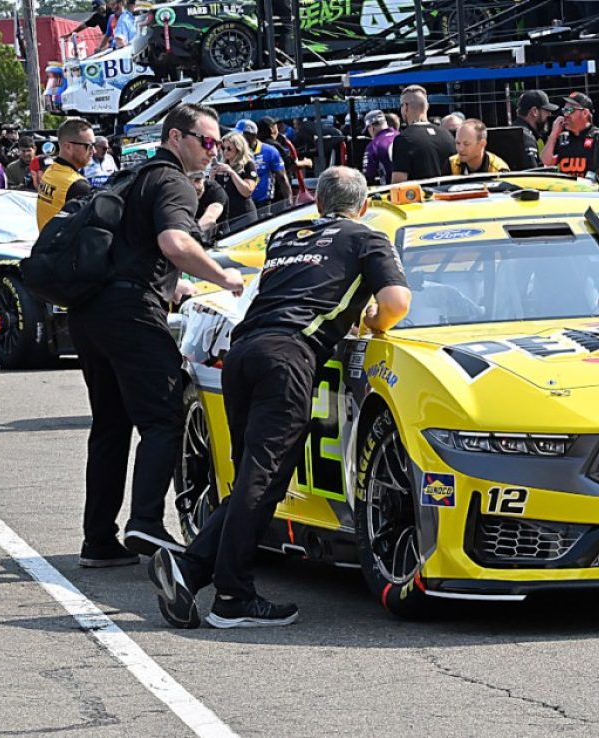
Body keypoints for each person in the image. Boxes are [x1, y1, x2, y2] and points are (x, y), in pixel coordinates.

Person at [149, 166, 411, 629]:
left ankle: (190, 570)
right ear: (364, 206)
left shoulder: (288, 235)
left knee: (255, 474)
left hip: (243, 352)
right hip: (287, 356)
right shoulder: (366, 238)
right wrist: (371, 322)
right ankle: (232, 597)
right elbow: (396, 302)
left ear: (318, 204)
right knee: (263, 479)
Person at [67, 103, 244, 568]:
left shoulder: (134, 176)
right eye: (206, 142)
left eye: (218, 144)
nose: (213, 152)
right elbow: (174, 243)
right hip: (128, 313)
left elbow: (139, 251)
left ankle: (98, 540)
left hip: (91, 312)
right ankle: (146, 521)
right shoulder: (172, 181)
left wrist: (178, 284)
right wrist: (226, 279)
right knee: (163, 416)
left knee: (110, 425)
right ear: (175, 138)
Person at [37, 118, 95, 230]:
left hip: (46, 244)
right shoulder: (77, 185)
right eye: (88, 146)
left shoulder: (50, 171)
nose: (93, 151)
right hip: (63, 246)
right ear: (68, 147)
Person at [390, 85, 456, 183]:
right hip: (450, 195)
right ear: (427, 106)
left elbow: (398, 183)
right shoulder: (448, 136)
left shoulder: (403, 139)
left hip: (422, 197)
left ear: (406, 107)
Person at [541, 91, 599, 177]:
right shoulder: (562, 138)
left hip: (589, 189)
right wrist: (553, 134)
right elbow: (547, 162)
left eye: (570, 110)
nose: (565, 115)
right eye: (564, 110)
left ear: (585, 113)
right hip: (568, 189)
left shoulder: (598, 137)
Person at [238, 119, 289, 209]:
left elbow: (282, 178)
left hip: (264, 202)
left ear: (251, 136)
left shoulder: (270, 151)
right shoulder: (236, 151)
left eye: (240, 135)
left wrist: (289, 203)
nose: (237, 138)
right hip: (243, 202)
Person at [214, 131, 258, 224]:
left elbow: (247, 191)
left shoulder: (248, 165)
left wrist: (232, 173)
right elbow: (214, 193)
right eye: (223, 148)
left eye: (229, 148)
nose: (225, 151)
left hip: (243, 215)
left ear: (239, 149)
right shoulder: (222, 166)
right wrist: (212, 177)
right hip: (225, 217)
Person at [513, 90, 557, 169]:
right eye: (547, 111)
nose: (549, 115)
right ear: (534, 111)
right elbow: (534, 174)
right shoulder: (526, 136)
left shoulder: (514, 130)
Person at [256, 117, 294, 203]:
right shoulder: (273, 146)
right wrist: (306, 162)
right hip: (278, 191)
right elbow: (289, 164)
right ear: (271, 129)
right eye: (275, 125)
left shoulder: (259, 145)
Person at [362, 109, 396, 185]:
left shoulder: (373, 145)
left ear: (371, 128)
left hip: (389, 189)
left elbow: (368, 175)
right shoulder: (401, 135)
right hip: (413, 188)